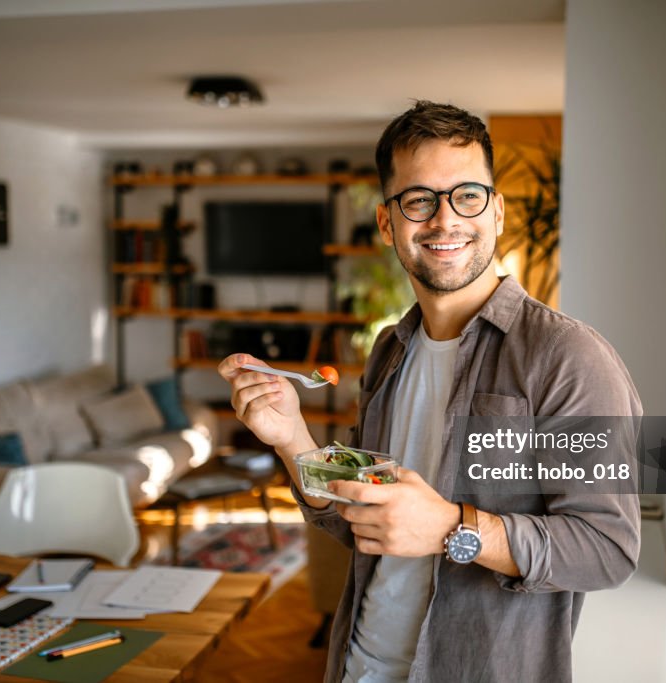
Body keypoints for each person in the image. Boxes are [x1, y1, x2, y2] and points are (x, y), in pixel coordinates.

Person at [219, 101, 641, 683]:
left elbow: (607, 550)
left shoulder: (569, 358)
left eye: (467, 195)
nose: (445, 220)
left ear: (497, 212)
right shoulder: (391, 350)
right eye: (419, 200)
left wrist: (450, 527)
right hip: (358, 665)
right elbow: (359, 520)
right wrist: (293, 439)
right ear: (389, 221)